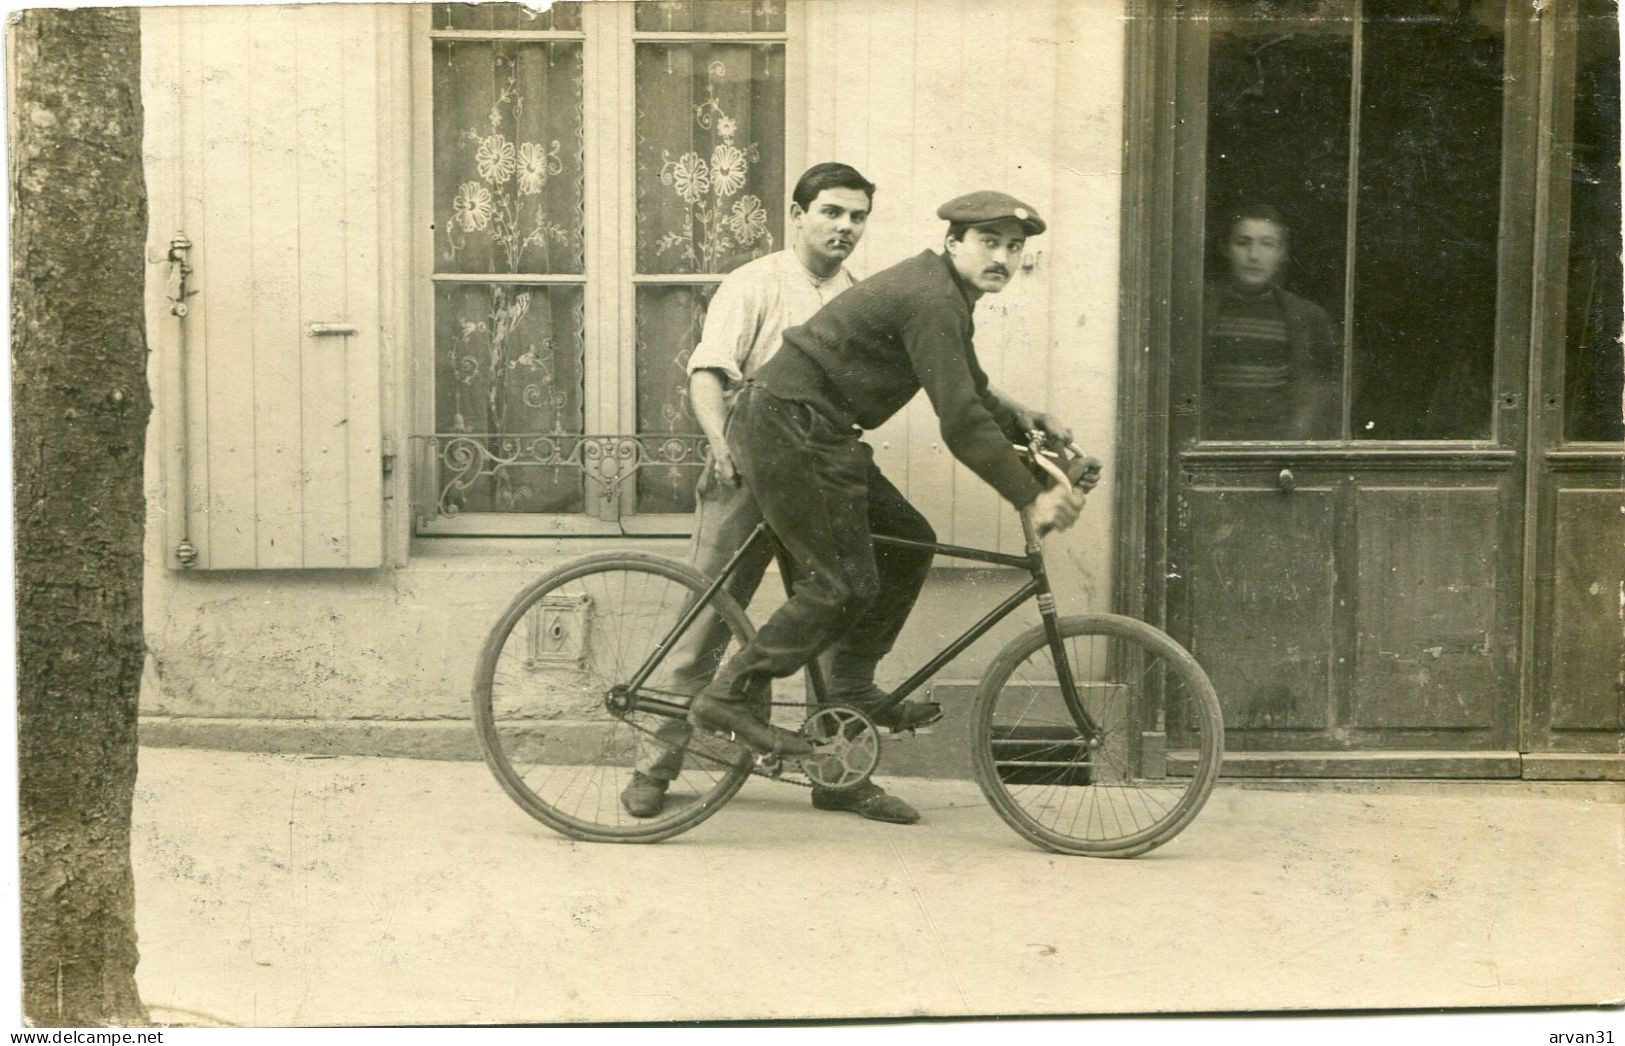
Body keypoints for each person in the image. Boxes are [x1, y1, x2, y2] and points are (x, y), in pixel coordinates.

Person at [684, 191, 1087, 824]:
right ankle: (729, 696)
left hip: (820, 431)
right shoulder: (932, 298)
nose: (1003, 258)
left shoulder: (945, 297)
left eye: (1015, 248)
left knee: (910, 541)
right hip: (790, 427)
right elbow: (958, 422)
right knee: (840, 582)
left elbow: (970, 391)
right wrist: (1031, 496)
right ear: (954, 243)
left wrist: (1022, 417)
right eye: (989, 242)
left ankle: (850, 687)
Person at [622, 162, 941, 820]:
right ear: (796, 216)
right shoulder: (755, 283)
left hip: (817, 473)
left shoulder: (860, 294)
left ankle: (837, 774)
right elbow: (708, 374)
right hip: (744, 468)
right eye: (830, 212)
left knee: (827, 611)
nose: (843, 227)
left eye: (856, 217)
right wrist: (719, 445)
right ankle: (655, 764)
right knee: (707, 619)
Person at [1202, 204, 1338, 440]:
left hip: (1273, 445)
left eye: (1267, 244)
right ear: (1224, 248)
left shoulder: (1304, 317)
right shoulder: (1200, 308)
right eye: (1243, 243)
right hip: (1213, 443)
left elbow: (1311, 396)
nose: (1254, 255)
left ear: (1282, 253)